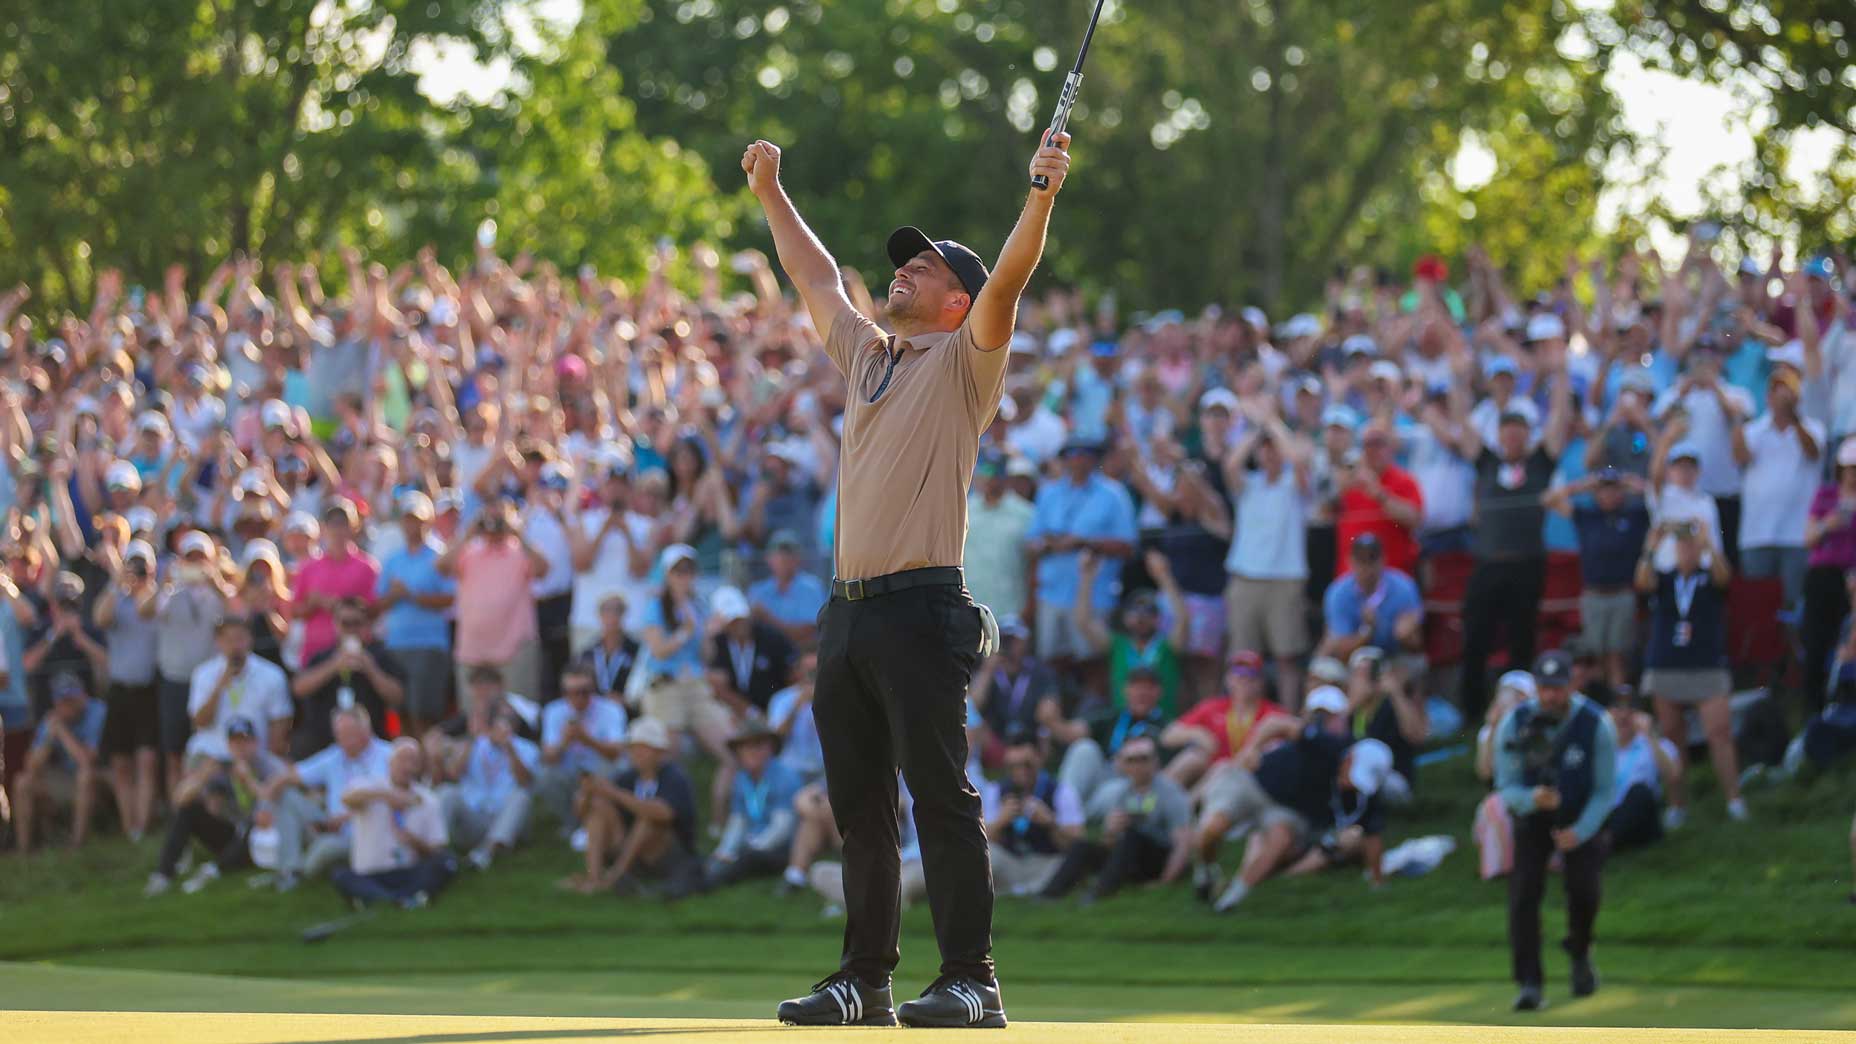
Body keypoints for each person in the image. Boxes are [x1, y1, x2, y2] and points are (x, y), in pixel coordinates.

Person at [751, 126, 1071, 1028]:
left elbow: (1008, 279)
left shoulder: (969, 358)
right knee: (859, 808)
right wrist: (772, 189)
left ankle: (973, 977)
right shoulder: (870, 357)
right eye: (905, 264)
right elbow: (814, 277)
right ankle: (867, 978)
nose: (904, 272)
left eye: (924, 268)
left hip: (924, 605)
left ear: (955, 301)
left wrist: (1041, 192)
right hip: (847, 615)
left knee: (940, 797)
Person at [1493, 650, 1617, 1011]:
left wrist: (1580, 831)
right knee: (1524, 895)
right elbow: (1506, 785)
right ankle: (1529, 982)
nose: (1550, 696)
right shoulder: (1514, 723)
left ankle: (1580, 952)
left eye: (1558, 688)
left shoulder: (1596, 724)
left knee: (1584, 891)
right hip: (1534, 815)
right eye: (1544, 688)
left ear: (1571, 685)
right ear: (1535, 688)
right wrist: (1532, 799)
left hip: (1581, 813)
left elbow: (1605, 790)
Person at [1455, 371, 1572, 721]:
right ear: (1500, 435)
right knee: (1476, 637)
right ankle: (1473, 712)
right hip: (1489, 563)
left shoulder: (1540, 463)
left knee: (1523, 639)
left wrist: (1559, 374)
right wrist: (1458, 374)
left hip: (1527, 564)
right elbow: (1463, 423)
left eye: (1519, 431)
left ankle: (1522, 708)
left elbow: (1559, 420)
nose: (1513, 437)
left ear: (1527, 435)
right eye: (1507, 431)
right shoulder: (1487, 462)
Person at [1636, 519, 1745, 824]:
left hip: (1707, 666)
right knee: (1672, 737)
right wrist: (1651, 545)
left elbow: (1725, 577)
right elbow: (1642, 581)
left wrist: (1708, 542)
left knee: (1719, 733)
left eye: (1691, 544)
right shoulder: (1666, 579)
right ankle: (1677, 805)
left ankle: (1735, 800)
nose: (1687, 549)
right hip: (1667, 666)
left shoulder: (1709, 578)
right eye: (1682, 544)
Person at [1222, 415, 1313, 704]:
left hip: (1285, 579)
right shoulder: (1248, 484)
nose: (1270, 451)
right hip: (1246, 578)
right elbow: (1231, 464)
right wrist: (1256, 432)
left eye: (1274, 447)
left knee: (1287, 658)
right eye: (1265, 447)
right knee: (1243, 660)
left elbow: (1298, 462)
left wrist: (1274, 425)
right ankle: (1243, 717)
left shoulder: (1294, 485)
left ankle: (1286, 718)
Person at [1038, 735, 1192, 902]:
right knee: (1081, 845)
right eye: (1131, 760)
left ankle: (1099, 894)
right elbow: (1110, 843)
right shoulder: (1124, 792)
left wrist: (1165, 882)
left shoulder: (1169, 792)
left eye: (1143, 759)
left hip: (1158, 857)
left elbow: (1183, 843)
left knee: (1132, 837)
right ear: (1122, 765)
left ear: (1155, 762)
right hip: (1130, 856)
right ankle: (1049, 895)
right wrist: (1111, 831)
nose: (1138, 765)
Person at [145, 717, 288, 896]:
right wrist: (202, 776)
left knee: (254, 826)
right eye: (236, 743)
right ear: (229, 745)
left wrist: (248, 781)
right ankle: (163, 874)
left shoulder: (268, 765)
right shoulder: (223, 766)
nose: (241, 748)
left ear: (255, 743)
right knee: (189, 810)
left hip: (263, 835)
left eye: (245, 741)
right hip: (233, 833)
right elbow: (179, 800)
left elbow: (270, 804)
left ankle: (215, 869)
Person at [1028, 439, 1139, 668]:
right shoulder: (1049, 493)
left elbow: (1128, 546)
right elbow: (1032, 543)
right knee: (1051, 665)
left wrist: (1084, 542)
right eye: (1072, 454)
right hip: (1051, 595)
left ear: (1095, 459)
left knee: (1092, 666)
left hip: (1094, 597)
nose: (1078, 459)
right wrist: (1050, 545)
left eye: (1085, 454)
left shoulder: (1113, 494)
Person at [565, 717, 703, 898]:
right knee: (599, 810)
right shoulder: (628, 777)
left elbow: (663, 813)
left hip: (671, 854)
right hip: (634, 849)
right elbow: (581, 814)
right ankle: (594, 878)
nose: (636, 753)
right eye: (633, 748)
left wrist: (613, 792)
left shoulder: (674, 777)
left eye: (642, 748)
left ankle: (613, 878)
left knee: (648, 820)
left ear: (659, 752)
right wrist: (589, 793)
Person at [264, 705, 394, 890]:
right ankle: (289, 869)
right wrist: (266, 800)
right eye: (339, 735)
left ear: (366, 731)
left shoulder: (388, 756)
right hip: (330, 825)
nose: (343, 741)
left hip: (365, 833)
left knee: (323, 852)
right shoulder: (335, 755)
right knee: (287, 797)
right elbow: (294, 774)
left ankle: (300, 870)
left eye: (349, 735)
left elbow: (393, 799)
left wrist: (349, 816)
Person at [1545, 468, 1651, 692]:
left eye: (1613, 490)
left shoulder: (1634, 515)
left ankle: (1619, 703)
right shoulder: (1587, 516)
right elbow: (1549, 500)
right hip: (1593, 595)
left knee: (1617, 655)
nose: (1609, 495)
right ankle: (1599, 699)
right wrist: (1582, 485)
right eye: (1604, 490)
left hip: (1622, 594)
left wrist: (1634, 483)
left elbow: (1660, 501)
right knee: (1594, 656)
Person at [439, 496, 548, 704]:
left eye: (500, 518)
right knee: (473, 718)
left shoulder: (520, 552)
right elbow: (441, 567)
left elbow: (543, 569)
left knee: (519, 713)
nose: (494, 524)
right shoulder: (469, 552)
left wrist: (516, 532)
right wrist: (469, 533)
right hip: (473, 650)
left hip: (514, 649)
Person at [331, 739, 455, 909]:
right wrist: (386, 796)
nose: (407, 767)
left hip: (408, 870)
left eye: (413, 761)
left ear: (419, 767)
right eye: (402, 760)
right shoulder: (370, 786)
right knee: (341, 875)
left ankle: (387, 899)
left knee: (446, 862)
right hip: (371, 873)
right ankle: (400, 900)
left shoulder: (427, 800)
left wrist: (414, 842)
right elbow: (347, 798)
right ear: (390, 762)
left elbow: (438, 848)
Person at [93, 538, 162, 841]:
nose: (138, 573)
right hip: (120, 692)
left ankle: (142, 828)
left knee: (146, 762)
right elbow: (99, 618)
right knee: (121, 764)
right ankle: (129, 827)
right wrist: (116, 582)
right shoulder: (115, 601)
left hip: (148, 691)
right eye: (132, 565)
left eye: (143, 568)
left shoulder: (160, 601)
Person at [374, 490, 456, 736]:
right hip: (396, 645)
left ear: (428, 521)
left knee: (424, 714)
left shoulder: (439, 556)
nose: (412, 525)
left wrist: (410, 595)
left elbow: (449, 599)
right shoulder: (393, 560)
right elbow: (379, 603)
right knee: (401, 715)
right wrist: (396, 595)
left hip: (428, 645)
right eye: (408, 519)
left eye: (417, 519)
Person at [153, 530, 228, 788]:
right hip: (175, 680)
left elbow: (238, 614)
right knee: (174, 752)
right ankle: (179, 812)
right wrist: (165, 583)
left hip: (208, 682)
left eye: (201, 558)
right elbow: (149, 609)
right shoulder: (169, 593)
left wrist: (216, 580)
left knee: (205, 749)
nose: (196, 563)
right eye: (190, 558)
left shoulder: (219, 593)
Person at [1075, 550, 1187, 716]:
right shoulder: (1117, 645)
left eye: (1148, 612)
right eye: (1135, 612)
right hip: (1123, 729)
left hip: (1163, 727)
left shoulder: (1168, 646)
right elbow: (1084, 622)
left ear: (1158, 618)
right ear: (1125, 617)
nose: (1141, 618)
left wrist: (1164, 576)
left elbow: (1183, 621)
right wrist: (1086, 576)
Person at [1043, 663, 1171, 806]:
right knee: (1084, 748)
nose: (1142, 692)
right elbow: (1070, 733)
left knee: (1123, 789)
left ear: (1158, 692)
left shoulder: (1165, 728)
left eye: (1148, 687)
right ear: (1126, 690)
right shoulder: (1113, 717)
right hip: (1103, 775)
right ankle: (1063, 807)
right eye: (1137, 686)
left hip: (1130, 786)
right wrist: (1052, 721)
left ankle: (1071, 815)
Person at [290, 598, 405, 754]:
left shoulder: (379, 656)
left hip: (369, 740)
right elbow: (299, 688)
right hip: (324, 741)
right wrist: (333, 666)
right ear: (335, 624)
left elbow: (397, 696)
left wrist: (371, 670)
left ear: (366, 625)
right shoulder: (322, 657)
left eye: (356, 623)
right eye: (345, 623)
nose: (351, 629)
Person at [704, 715, 806, 890]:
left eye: (759, 745)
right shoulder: (741, 778)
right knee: (720, 858)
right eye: (746, 746)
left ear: (771, 748)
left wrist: (752, 848)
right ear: (739, 751)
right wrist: (724, 851)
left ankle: (709, 883)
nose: (753, 751)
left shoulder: (785, 777)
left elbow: (783, 827)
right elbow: (738, 820)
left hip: (780, 847)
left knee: (746, 860)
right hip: (752, 843)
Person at [9, 673, 106, 853]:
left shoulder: (97, 711)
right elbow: (30, 766)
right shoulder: (52, 719)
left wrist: (63, 734)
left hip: (99, 777)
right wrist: (47, 740)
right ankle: (24, 850)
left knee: (85, 776)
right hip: (64, 779)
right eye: (63, 701)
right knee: (22, 782)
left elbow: (87, 762)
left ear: (82, 697)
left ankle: (76, 845)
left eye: (71, 699)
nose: (67, 705)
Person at [1161, 651, 1287, 789]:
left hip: (1252, 778)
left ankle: (1189, 806)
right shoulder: (1213, 707)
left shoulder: (1273, 713)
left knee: (1222, 769)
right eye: (1238, 674)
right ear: (1228, 679)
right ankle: (1155, 801)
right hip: (1210, 773)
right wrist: (1197, 734)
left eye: (1251, 675)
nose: (1244, 680)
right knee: (1191, 758)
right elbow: (1167, 735)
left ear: (1261, 682)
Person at [438, 698, 539, 871]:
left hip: (506, 821)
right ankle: (437, 852)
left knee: (521, 796)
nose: (504, 726)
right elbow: (453, 774)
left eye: (510, 721)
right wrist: (472, 739)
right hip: (475, 818)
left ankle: (486, 852)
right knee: (446, 792)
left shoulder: (528, 749)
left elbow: (525, 782)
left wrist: (510, 749)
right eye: (500, 720)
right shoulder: (474, 744)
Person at [978, 733, 1085, 897]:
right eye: (1013, 766)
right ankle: (1023, 889)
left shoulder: (1061, 791)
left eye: (1027, 765)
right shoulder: (995, 791)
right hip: (1012, 861)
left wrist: (1051, 823)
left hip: (1045, 861)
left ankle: (1014, 890)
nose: (1020, 771)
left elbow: (1076, 845)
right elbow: (981, 841)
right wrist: (1001, 821)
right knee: (983, 855)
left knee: (1066, 865)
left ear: (1039, 759)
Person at [187, 617, 294, 763]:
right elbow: (199, 722)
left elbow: (279, 725)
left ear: (250, 639)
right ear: (218, 642)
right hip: (211, 754)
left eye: (240, 639)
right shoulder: (203, 674)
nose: (235, 646)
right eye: (228, 640)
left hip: (256, 757)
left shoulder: (272, 675)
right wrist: (219, 688)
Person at [536, 664, 629, 831]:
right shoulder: (553, 711)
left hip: (600, 769)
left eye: (584, 691)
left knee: (620, 767)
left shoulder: (611, 710)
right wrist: (564, 742)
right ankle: (573, 822)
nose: (578, 697)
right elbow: (548, 757)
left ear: (593, 689)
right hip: (571, 769)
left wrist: (587, 739)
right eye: (571, 692)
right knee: (544, 775)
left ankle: (598, 820)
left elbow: (617, 752)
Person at [1802, 439, 1856, 711]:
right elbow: (1809, 538)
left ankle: (1845, 705)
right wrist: (1828, 524)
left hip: (1853, 580)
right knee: (1817, 641)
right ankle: (1815, 708)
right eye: (1849, 467)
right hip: (1823, 577)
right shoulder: (1826, 495)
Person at [970, 616, 1060, 769]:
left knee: (1047, 723)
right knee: (975, 722)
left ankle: (1039, 765)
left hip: (1031, 735)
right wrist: (988, 670)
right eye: (1004, 639)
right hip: (998, 740)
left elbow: (1050, 703)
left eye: (1014, 640)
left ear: (1025, 642)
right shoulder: (986, 672)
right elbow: (972, 708)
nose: (1009, 646)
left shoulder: (1039, 672)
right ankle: (1006, 759)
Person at [1318, 534, 1424, 662]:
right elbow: (1342, 653)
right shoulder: (1338, 593)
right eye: (1361, 561)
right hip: (1352, 660)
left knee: (1395, 676)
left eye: (1372, 559)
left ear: (1383, 559)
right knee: (1324, 670)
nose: (1367, 568)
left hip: (1398, 658)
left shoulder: (1404, 587)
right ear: (1350, 561)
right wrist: (1367, 631)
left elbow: (1418, 648)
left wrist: (1404, 636)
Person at [1601, 685, 1682, 851]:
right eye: (1617, 709)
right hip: (1609, 816)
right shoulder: (1599, 746)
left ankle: (1600, 848)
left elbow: (1674, 776)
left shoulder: (1656, 745)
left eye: (1630, 709)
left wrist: (1650, 736)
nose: (1624, 716)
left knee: (1640, 791)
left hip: (1643, 819)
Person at [706, 585, 798, 715]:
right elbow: (717, 684)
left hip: (775, 712)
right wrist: (750, 712)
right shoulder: (718, 643)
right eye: (733, 621)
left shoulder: (771, 638)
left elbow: (792, 673)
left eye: (742, 618)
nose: (739, 624)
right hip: (735, 713)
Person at [748, 530, 831, 650]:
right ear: (768, 558)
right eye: (778, 553)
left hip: (803, 653)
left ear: (798, 558)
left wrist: (768, 618)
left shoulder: (812, 587)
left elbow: (807, 634)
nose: (783, 558)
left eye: (788, 553)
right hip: (769, 657)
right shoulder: (757, 591)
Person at [575, 595, 640, 702]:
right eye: (606, 610)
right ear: (599, 614)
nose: (612, 615)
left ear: (624, 613)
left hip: (627, 709)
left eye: (617, 610)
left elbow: (641, 685)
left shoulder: (636, 651)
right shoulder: (588, 653)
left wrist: (626, 700)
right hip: (595, 710)